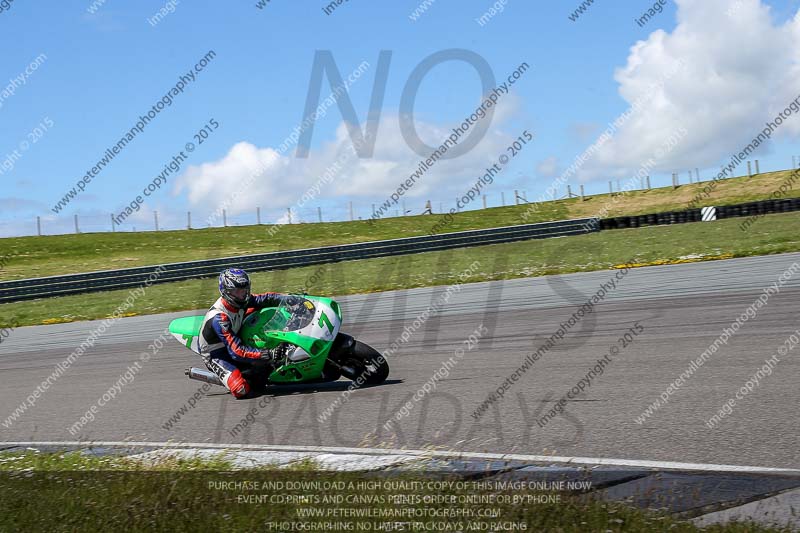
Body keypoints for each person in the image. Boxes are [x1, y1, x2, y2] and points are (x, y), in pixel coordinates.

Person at [198, 268, 290, 398]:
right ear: (226, 292)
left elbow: (266, 298)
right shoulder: (219, 318)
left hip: (235, 336)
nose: (243, 295)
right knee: (241, 390)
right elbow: (236, 352)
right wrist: (268, 353)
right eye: (237, 291)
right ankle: (231, 377)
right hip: (217, 354)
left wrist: (290, 298)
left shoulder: (242, 300)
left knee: (259, 307)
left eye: (245, 290)